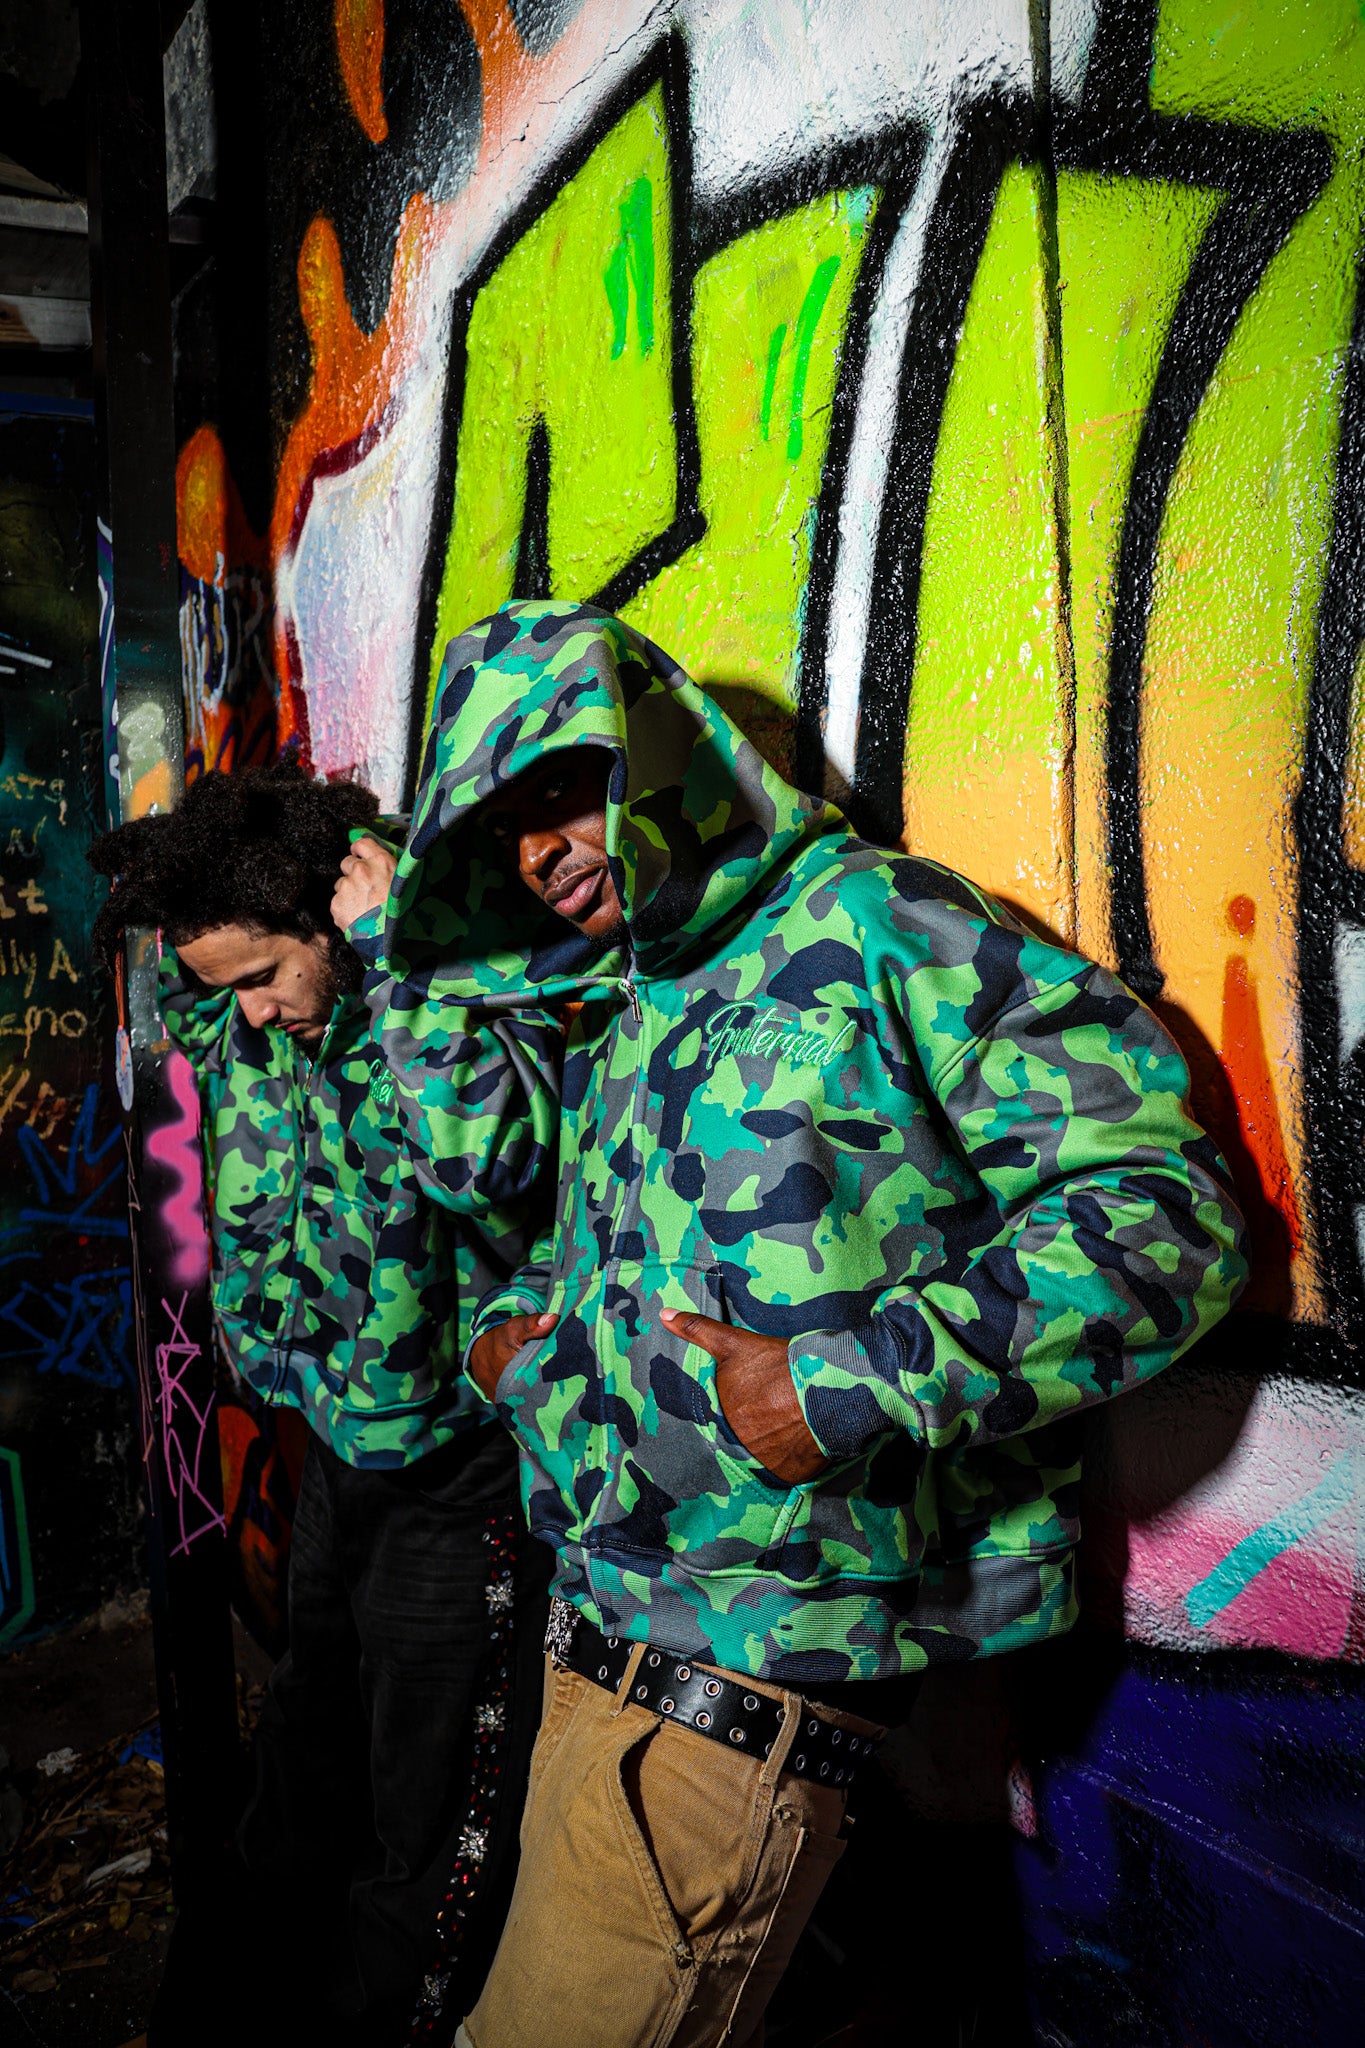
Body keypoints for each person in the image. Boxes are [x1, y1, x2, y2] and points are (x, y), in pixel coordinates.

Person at [378, 600, 1248, 2048]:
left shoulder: (877, 924)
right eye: (499, 827)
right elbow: (618, 1243)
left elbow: (1166, 1212)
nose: (537, 851)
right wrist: (520, 1337)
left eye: (562, 784)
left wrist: (854, 1384)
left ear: (664, 752)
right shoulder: (630, 993)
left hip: (752, 1667)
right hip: (601, 1617)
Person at [89, 762, 561, 2047]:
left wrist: (398, 957)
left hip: (459, 1470)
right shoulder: (246, 1020)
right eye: (222, 987)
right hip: (338, 1449)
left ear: (330, 920)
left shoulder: (450, 994)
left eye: (261, 976)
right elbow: (175, 982)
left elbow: (496, 1158)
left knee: (430, 1813)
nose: (246, 1013)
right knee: (303, 1757)